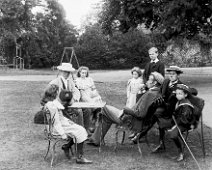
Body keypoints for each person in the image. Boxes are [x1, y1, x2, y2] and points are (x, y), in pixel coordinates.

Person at [86, 72, 164, 146]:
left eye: (149, 80)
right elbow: (140, 105)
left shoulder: (150, 94)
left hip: (130, 120)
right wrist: (140, 92)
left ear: (154, 83)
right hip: (130, 118)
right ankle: (95, 140)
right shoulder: (154, 93)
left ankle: (92, 125)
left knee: (103, 107)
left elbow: (140, 114)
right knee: (106, 117)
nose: (147, 81)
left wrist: (126, 109)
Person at [45, 88, 93, 164]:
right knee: (80, 130)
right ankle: (80, 158)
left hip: (60, 125)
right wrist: (63, 134)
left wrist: (69, 122)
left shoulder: (53, 103)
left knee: (79, 129)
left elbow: (60, 117)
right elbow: (56, 122)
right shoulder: (53, 106)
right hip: (55, 129)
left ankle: (67, 146)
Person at [42, 63, 90, 133]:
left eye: (68, 72)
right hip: (59, 106)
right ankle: (80, 132)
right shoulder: (54, 83)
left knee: (87, 110)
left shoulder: (69, 81)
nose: (66, 74)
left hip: (70, 104)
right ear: (60, 71)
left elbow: (76, 91)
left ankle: (86, 130)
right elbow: (48, 98)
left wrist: (74, 99)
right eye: (65, 71)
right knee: (78, 111)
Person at [156, 84, 196, 161]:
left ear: (185, 94)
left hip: (184, 124)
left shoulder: (186, 105)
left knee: (173, 135)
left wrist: (176, 122)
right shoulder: (179, 101)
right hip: (176, 121)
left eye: (180, 94)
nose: (177, 95)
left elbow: (185, 119)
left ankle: (180, 152)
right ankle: (161, 144)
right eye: (177, 93)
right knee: (161, 125)